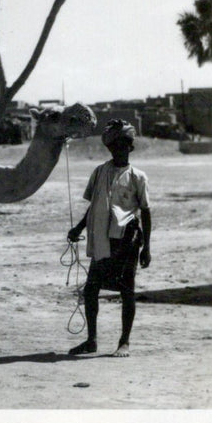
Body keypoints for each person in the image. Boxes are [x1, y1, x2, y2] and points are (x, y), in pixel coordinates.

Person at [66, 119, 152, 357]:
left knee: (126, 290)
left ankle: (124, 342)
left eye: (123, 146)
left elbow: (145, 211)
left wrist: (147, 248)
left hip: (128, 240)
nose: (118, 150)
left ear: (130, 148)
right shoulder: (99, 172)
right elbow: (94, 205)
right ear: (110, 147)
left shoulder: (138, 177)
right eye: (114, 146)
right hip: (102, 239)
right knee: (91, 289)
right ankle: (91, 340)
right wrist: (78, 228)